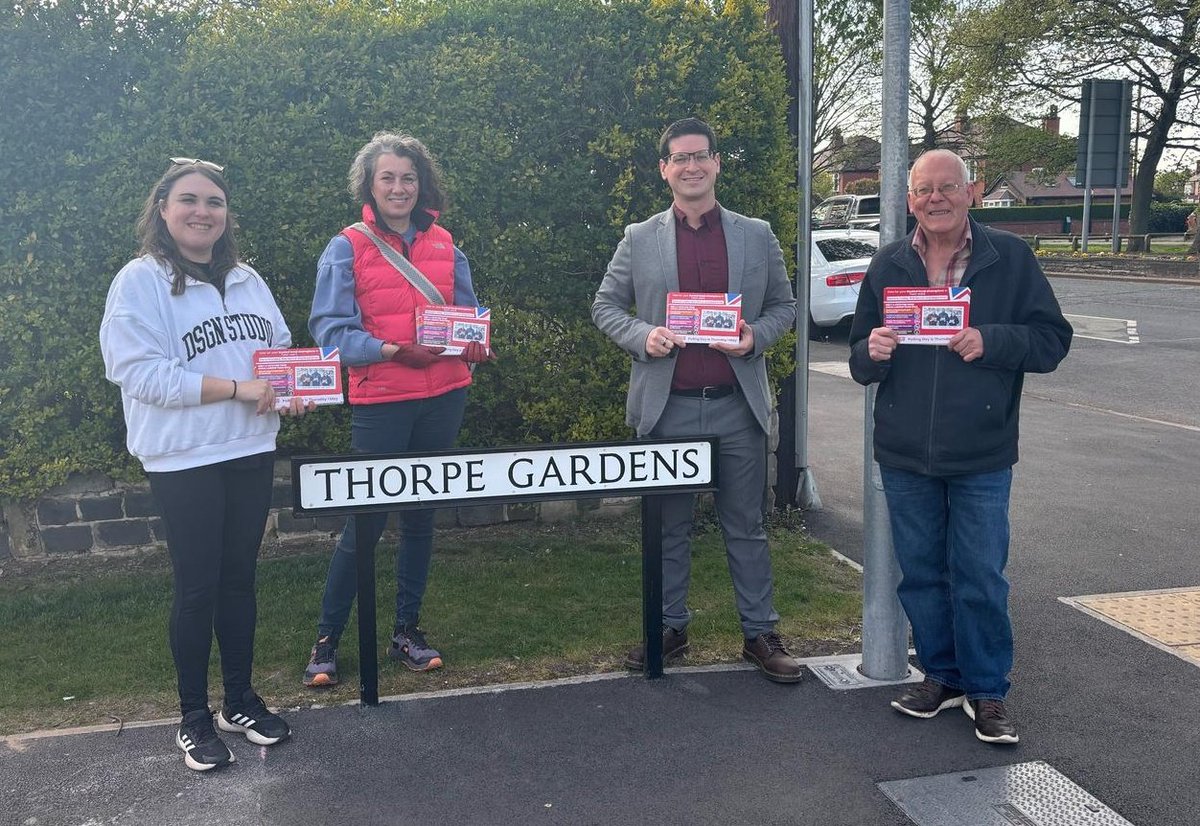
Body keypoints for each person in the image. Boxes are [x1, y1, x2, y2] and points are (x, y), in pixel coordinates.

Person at [848, 149, 1072, 744]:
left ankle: (988, 690)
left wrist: (991, 341)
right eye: (924, 189)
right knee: (922, 576)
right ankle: (942, 677)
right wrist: (871, 352)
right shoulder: (889, 263)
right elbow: (858, 358)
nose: (936, 198)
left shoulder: (1009, 258)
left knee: (979, 576)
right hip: (905, 453)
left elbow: (1052, 340)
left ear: (971, 192)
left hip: (980, 452)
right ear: (909, 199)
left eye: (948, 187)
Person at [100, 159, 312, 771]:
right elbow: (139, 373)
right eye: (189, 200)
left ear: (226, 215)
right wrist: (239, 389)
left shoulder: (247, 279)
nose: (202, 211)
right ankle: (192, 716)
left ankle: (238, 701)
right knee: (197, 586)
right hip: (184, 456)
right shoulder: (139, 281)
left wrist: (292, 388)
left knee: (238, 580)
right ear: (162, 210)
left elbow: (276, 352)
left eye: (214, 202)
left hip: (248, 447)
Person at [591, 117, 802, 683]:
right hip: (669, 407)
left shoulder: (756, 234)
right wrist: (643, 335)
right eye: (680, 158)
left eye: (701, 155)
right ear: (664, 169)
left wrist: (755, 337)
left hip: (738, 405)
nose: (692, 166)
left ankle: (759, 634)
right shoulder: (640, 237)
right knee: (668, 526)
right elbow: (605, 305)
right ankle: (668, 627)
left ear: (716, 163)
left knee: (747, 526)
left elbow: (784, 306)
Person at [303, 132, 492, 687]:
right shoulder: (346, 247)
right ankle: (327, 639)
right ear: (369, 184)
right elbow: (329, 332)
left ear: (421, 183)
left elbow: (467, 313)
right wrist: (389, 350)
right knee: (364, 520)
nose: (399, 187)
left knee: (420, 517)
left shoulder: (447, 244)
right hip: (382, 399)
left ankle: (406, 631)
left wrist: (475, 341)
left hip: (444, 396)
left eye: (408, 177)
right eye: (387, 177)